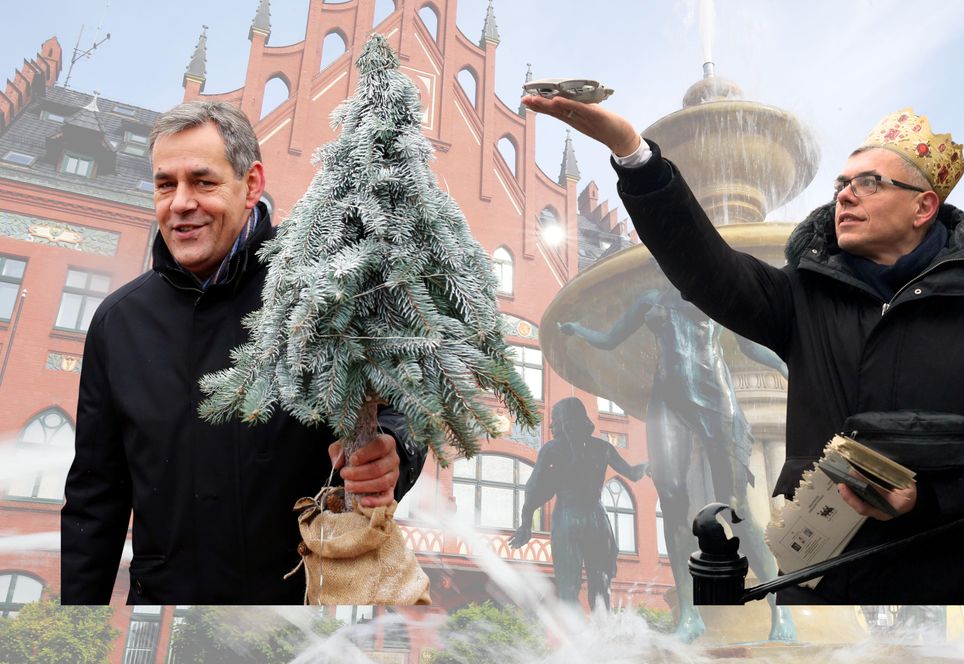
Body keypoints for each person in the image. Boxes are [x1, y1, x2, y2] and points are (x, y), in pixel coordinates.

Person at [522, 95, 964, 605]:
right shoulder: (800, 296)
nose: (845, 195)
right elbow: (705, 268)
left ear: (924, 206)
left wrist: (927, 496)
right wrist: (636, 158)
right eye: (841, 183)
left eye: (870, 183)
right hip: (824, 580)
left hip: (949, 586)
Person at [61, 101, 424, 604]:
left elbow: (402, 415)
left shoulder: (322, 295)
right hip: (167, 614)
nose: (181, 203)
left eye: (203, 182)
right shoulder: (118, 323)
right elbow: (94, 498)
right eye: (166, 184)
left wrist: (394, 453)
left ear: (251, 184)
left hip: (298, 613)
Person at [558, 287, 794, 640]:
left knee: (737, 507)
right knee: (671, 502)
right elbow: (610, 340)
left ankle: (781, 608)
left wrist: (781, 362)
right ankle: (690, 615)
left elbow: (747, 345)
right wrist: (578, 328)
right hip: (667, 402)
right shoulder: (651, 298)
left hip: (715, 396)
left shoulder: (720, 290)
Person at [508, 397, 647, 612]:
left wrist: (526, 523)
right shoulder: (603, 447)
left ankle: (576, 640)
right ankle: (604, 634)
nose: (551, 425)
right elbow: (634, 474)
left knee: (568, 589)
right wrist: (652, 464)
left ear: (564, 421)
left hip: (567, 519)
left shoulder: (553, 449)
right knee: (601, 586)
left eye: (554, 419)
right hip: (597, 520)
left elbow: (533, 487)